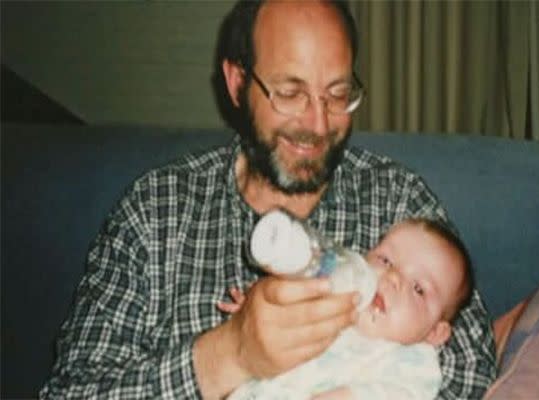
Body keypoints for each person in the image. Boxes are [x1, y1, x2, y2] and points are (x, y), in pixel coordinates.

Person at [40, 1, 496, 399]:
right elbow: (72, 390)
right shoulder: (156, 211)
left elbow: (475, 370)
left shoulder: (397, 201)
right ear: (237, 82)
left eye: (337, 95)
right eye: (290, 92)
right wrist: (229, 353)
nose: (317, 124)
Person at [222, 217, 475, 400]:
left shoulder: (412, 360)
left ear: (435, 333)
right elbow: (271, 325)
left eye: (418, 289)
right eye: (385, 260)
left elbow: (401, 394)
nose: (392, 278)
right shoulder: (328, 295)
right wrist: (256, 315)